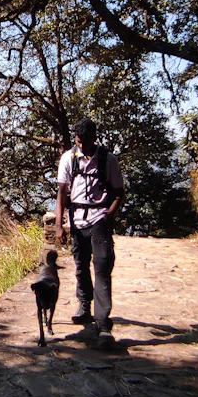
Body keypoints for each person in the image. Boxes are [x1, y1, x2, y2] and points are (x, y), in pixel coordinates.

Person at [55, 118, 125, 349]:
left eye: (85, 142)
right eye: (78, 142)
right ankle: (84, 304)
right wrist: (59, 224)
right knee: (81, 264)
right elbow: (62, 192)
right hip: (76, 221)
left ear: (94, 138)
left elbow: (119, 193)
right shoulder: (68, 158)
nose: (81, 146)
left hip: (98, 219)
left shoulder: (108, 159)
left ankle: (103, 324)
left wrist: (108, 216)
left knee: (102, 267)